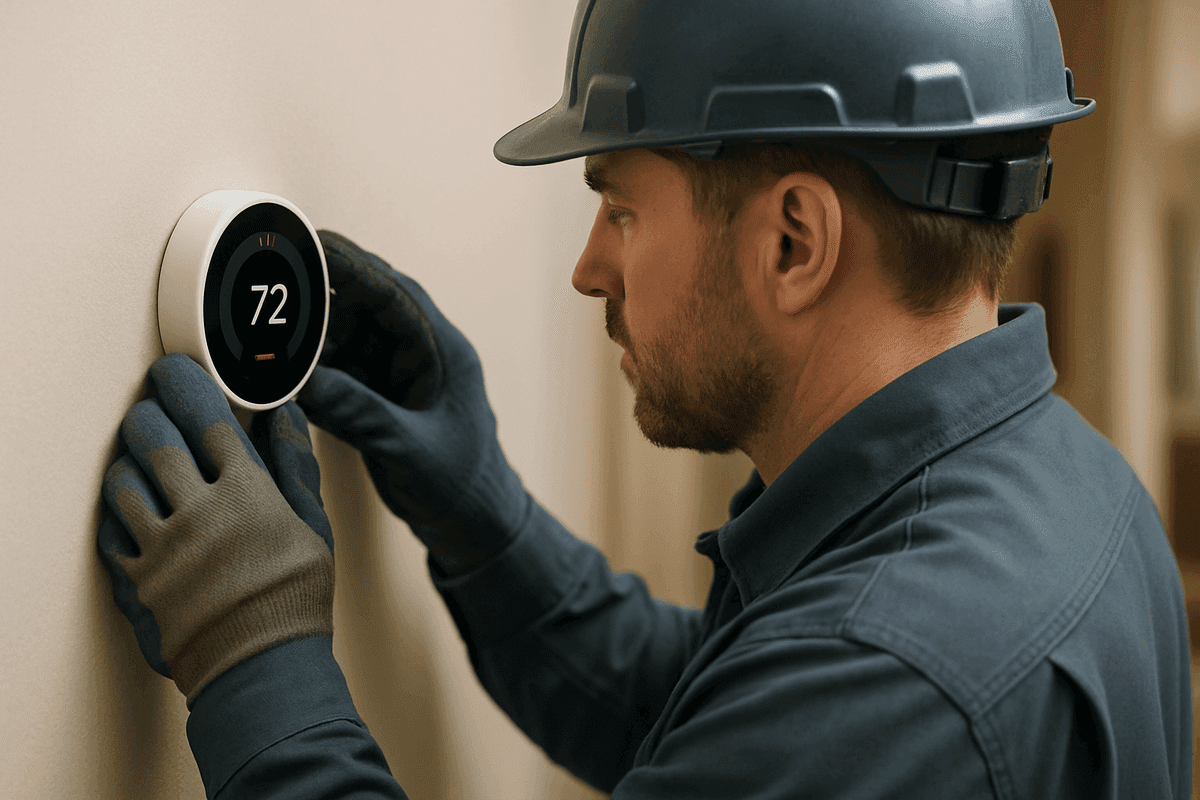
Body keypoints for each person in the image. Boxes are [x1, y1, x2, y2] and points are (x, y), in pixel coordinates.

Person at [98, 1, 1193, 797]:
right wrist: (492, 530)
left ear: (792, 239)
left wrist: (255, 651)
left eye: (618, 207)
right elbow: (731, 721)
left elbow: (800, 729)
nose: (588, 266)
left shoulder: (895, 673)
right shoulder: (1069, 482)